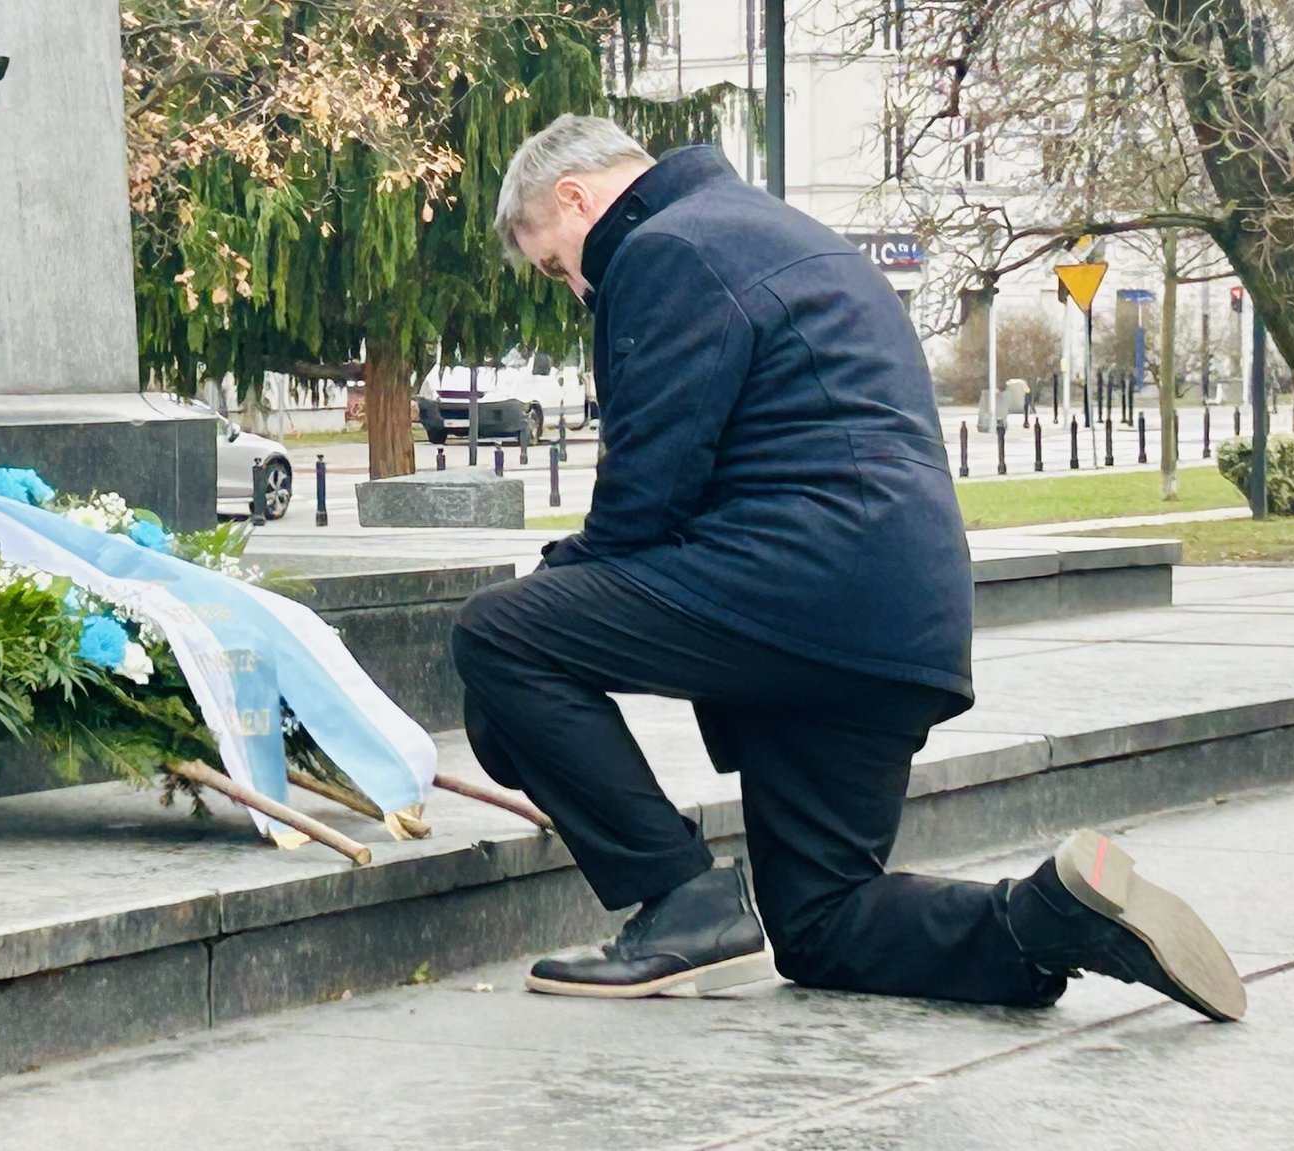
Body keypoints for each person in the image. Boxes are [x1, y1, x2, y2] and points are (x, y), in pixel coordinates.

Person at [452, 115, 1246, 1021]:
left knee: (497, 629)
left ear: (575, 197)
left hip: (804, 584)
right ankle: (1047, 920)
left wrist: (518, 649)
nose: (578, 288)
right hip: (894, 614)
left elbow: (646, 494)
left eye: (559, 263)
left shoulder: (664, 249)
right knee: (821, 920)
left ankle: (683, 896)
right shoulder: (779, 233)